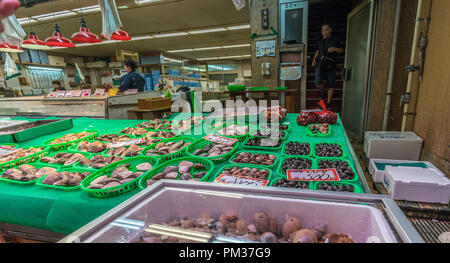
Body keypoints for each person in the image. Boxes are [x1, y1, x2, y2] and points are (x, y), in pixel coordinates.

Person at [312, 21, 344, 110]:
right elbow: (317, 51)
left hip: (331, 64)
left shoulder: (335, 39)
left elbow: (341, 50)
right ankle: (323, 95)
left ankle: (328, 103)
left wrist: (334, 49)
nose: (324, 32)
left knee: (331, 84)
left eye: (326, 30)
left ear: (330, 30)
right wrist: (314, 59)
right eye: (323, 30)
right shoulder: (319, 41)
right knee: (317, 82)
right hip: (320, 63)